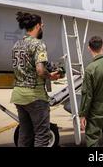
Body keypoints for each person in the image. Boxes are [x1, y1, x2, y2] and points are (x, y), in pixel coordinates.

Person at [10, 12, 64, 147]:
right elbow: (40, 70)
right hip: (35, 96)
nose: (43, 27)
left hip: (18, 95)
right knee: (42, 134)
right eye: (42, 24)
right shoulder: (38, 44)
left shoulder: (17, 44)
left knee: (25, 133)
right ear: (38, 26)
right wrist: (50, 76)